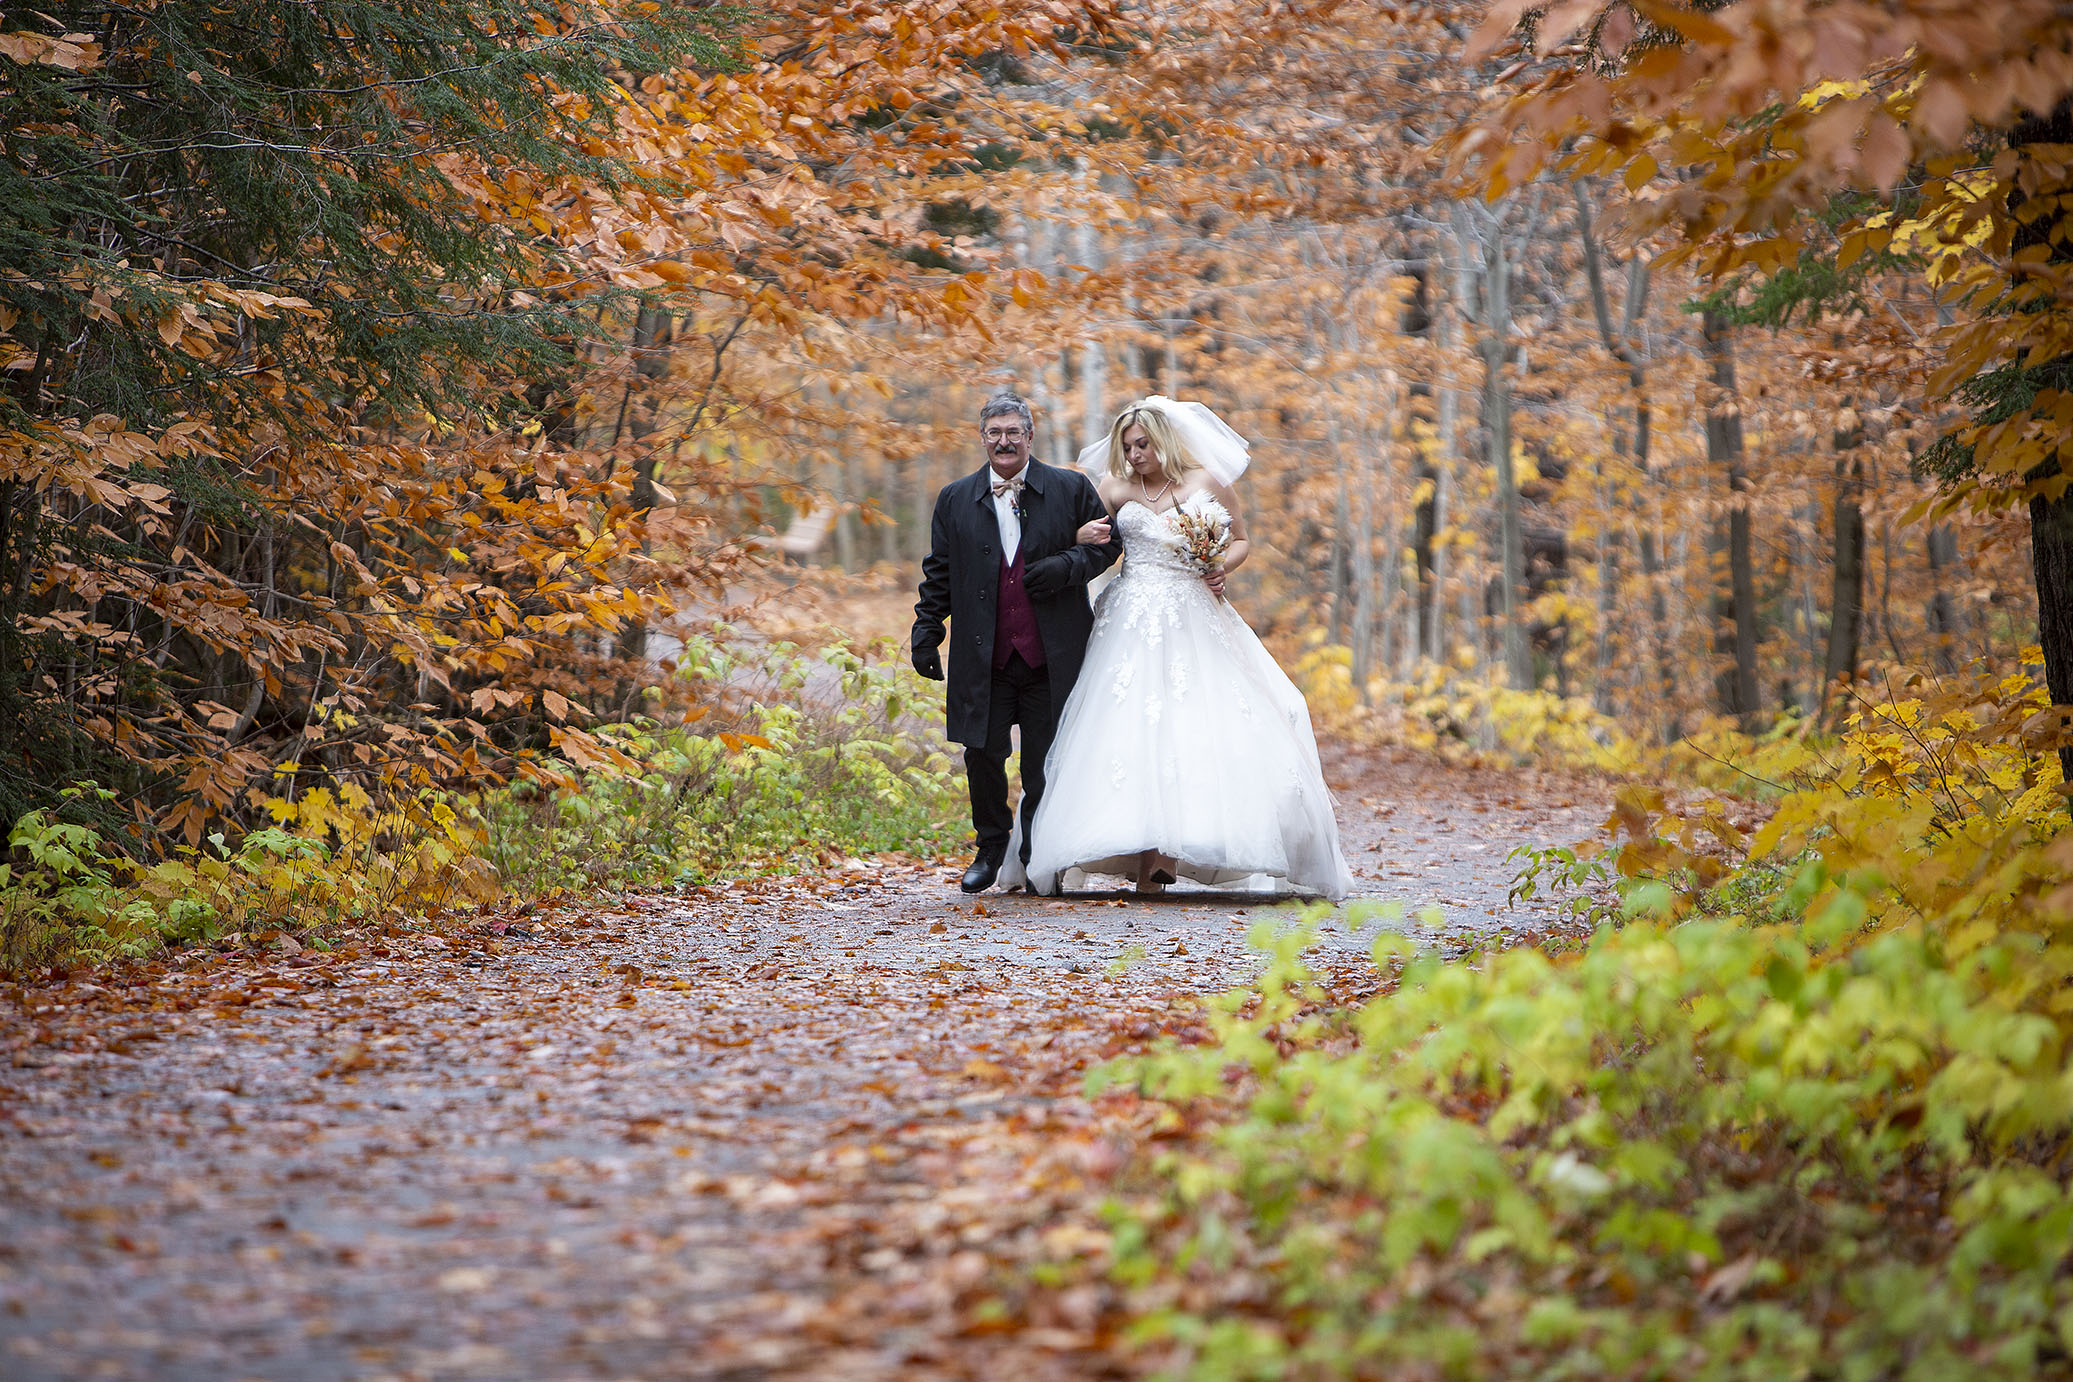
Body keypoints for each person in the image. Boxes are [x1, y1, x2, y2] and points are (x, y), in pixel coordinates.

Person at [1015, 396, 1355, 900]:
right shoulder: (1112, 488)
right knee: (1125, 728)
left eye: (1143, 445)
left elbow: (1240, 540)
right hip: (1129, 616)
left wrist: (1222, 567)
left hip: (1194, 612)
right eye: (1127, 446)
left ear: (1165, 440)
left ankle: (1166, 854)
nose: (1134, 455)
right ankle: (1136, 850)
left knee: (1193, 723)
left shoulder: (1207, 482)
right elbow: (1090, 546)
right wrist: (1082, 534)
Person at [911, 392, 1122, 893]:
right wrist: (927, 628)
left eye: (1013, 432)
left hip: (1053, 653)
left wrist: (1063, 567)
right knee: (981, 753)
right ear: (982, 437)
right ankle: (990, 846)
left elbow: (1109, 546)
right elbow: (939, 571)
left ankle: (1035, 855)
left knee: (1044, 761)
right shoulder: (955, 498)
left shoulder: (1070, 488)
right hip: (983, 654)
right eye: (994, 432)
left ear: (1030, 436)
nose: (1004, 441)